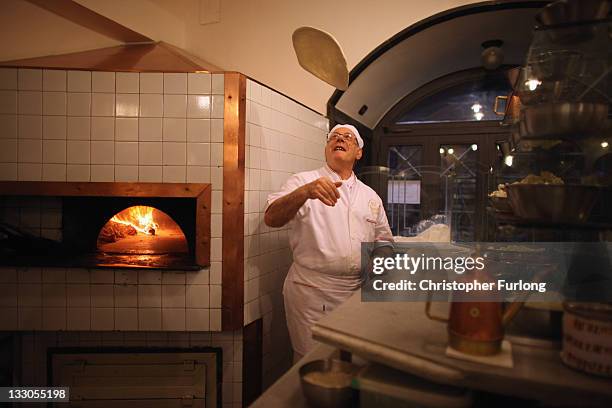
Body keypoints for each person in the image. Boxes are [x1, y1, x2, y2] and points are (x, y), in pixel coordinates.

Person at [264, 124, 393, 362]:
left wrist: (378, 270)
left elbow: (383, 239)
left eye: (348, 138)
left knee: (353, 361)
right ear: (326, 147)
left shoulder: (370, 196)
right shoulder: (304, 181)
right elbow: (271, 218)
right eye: (334, 137)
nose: (339, 139)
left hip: (356, 293)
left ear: (359, 153)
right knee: (314, 361)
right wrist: (305, 192)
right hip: (312, 292)